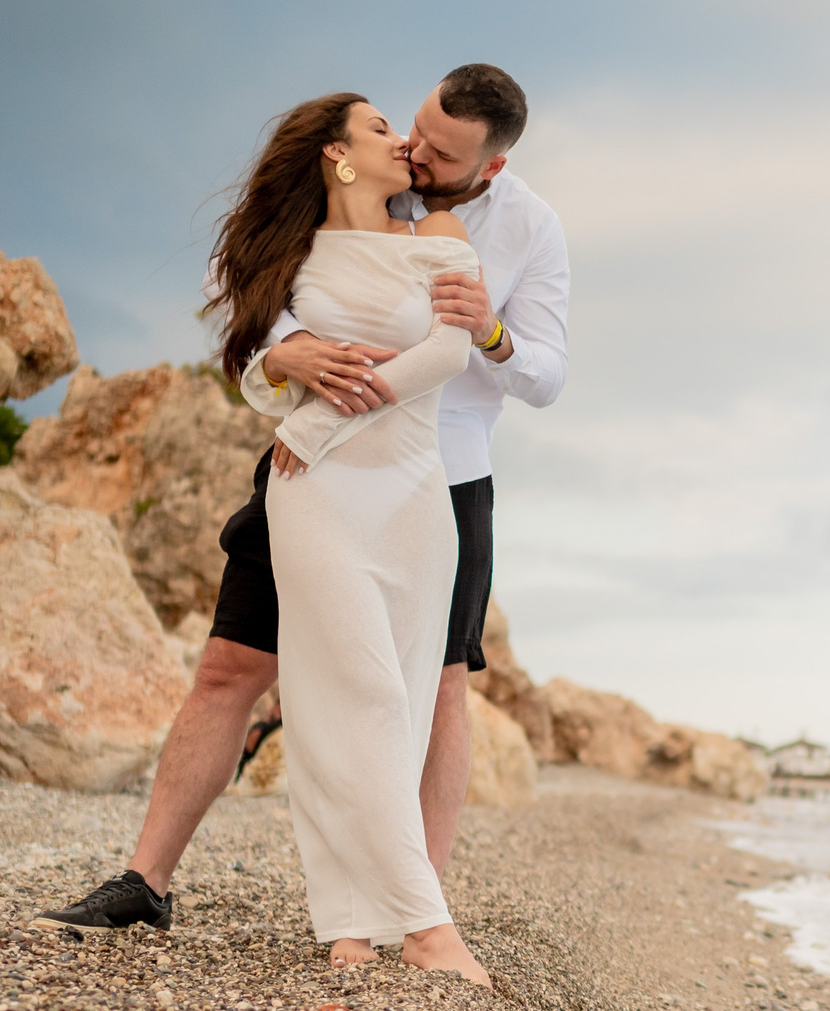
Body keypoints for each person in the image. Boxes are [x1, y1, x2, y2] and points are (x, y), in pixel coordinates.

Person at [33, 66, 569, 942]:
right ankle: (145, 881)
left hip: (441, 477)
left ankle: (414, 908)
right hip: (313, 463)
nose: (417, 151)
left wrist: (491, 332)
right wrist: (291, 348)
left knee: (436, 687)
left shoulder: (529, 228)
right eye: (416, 128)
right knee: (229, 666)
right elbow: (262, 268)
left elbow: (546, 375)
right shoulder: (375, 175)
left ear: (493, 167)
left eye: (442, 153)